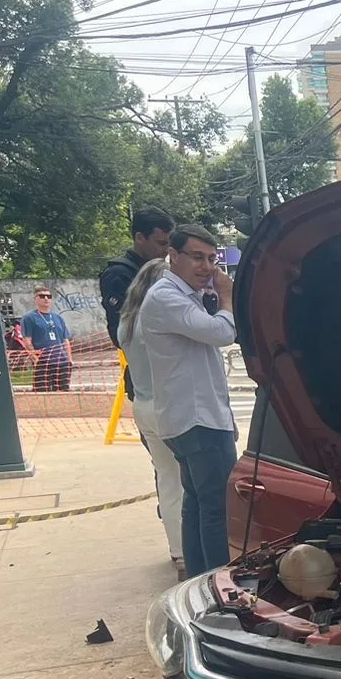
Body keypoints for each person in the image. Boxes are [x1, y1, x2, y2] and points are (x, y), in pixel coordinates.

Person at [139, 225, 238, 576]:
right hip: (199, 419)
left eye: (212, 259)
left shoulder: (180, 294)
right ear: (174, 256)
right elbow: (223, 333)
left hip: (189, 417)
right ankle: (219, 586)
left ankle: (200, 581)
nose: (207, 267)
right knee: (216, 508)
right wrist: (227, 298)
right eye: (197, 257)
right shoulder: (168, 297)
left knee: (196, 503)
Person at [117, 259, 187, 577]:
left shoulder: (127, 323)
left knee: (167, 480)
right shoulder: (157, 320)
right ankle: (191, 549)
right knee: (190, 483)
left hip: (142, 405)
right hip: (167, 406)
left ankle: (178, 550)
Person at [99, 207, 174, 398]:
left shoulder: (162, 270)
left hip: (171, 369)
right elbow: (121, 332)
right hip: (146, 373)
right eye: (160, 243)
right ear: (140, 238)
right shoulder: (119, 274)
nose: (165, 250)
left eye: (168, 244)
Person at [20, 289, 74, 391]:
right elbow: (27, 341)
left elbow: (65, 340)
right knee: (42, 391)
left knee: (63, 390)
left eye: (48, 296)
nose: (46, 298)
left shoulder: (58, 317)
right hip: (43, 361)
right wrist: (34, 358)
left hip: (61, 361)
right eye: (42, 296)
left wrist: (69, 359)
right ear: (35, 299)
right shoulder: (29, 318)